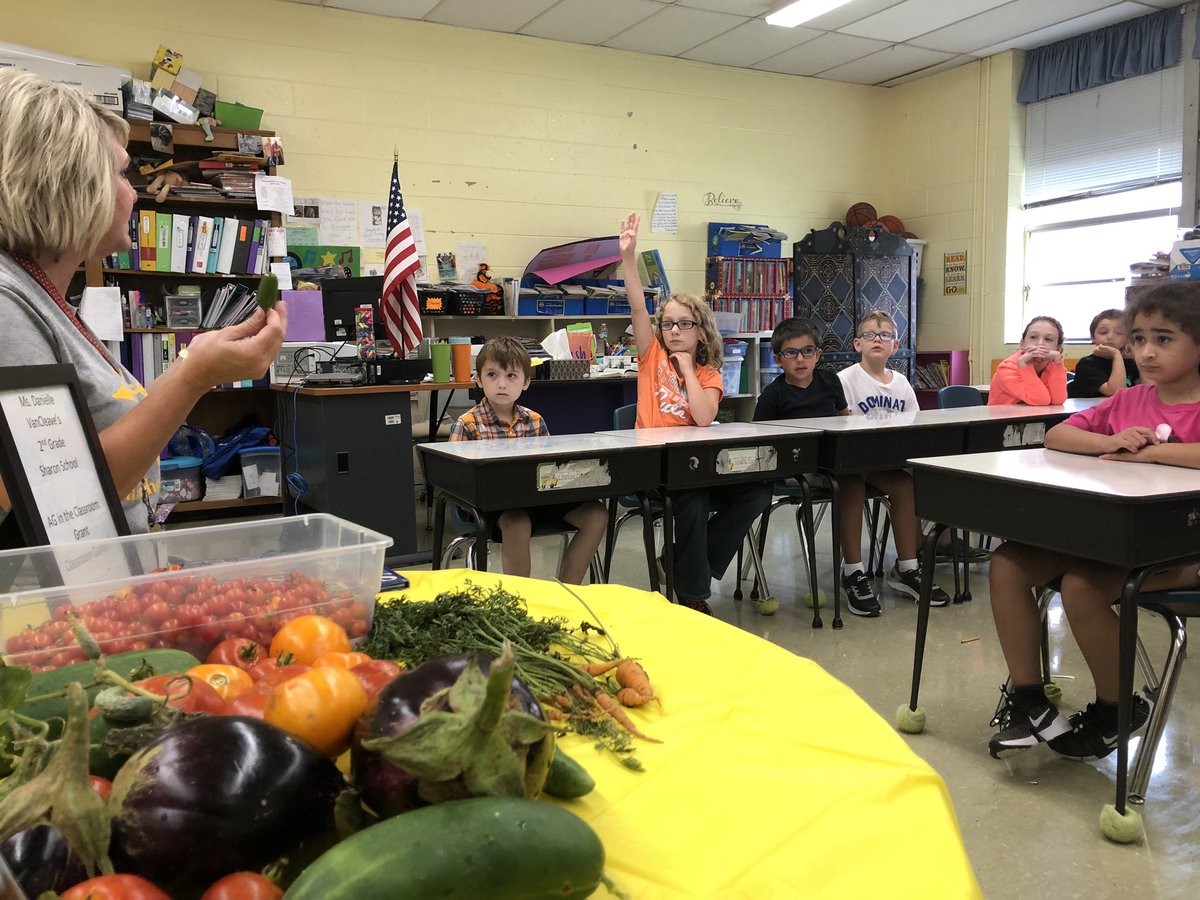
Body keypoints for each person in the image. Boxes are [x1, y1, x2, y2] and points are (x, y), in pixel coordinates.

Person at [0, 70, 286, 545]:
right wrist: (194, 375)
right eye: (118, 173)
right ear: (69, 182)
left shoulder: (40, 292)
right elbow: (64, 493)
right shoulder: (8, 303)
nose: (133, 191)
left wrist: (197, 364)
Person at [987, 281, 1200, 760]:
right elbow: (1059, 435)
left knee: (1081, 588)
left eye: (1163, 339)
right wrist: (1110, 441)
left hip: (1182, 549)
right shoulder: (1130, 401)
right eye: (1139, 338)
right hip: (1114, 537)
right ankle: (1029, 702)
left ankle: (1117, 710)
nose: (1145, 351)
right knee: (1008, 564)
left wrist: (1153, 453)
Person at [620, 212, 770, 615]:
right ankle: (693, 593)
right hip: (652, 469)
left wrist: (687, 368)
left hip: (696, 467)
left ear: (701, 331)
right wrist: (628, 256)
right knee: (691, 499)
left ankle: (682, 564)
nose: (673, 331)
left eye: (683, 324)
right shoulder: (651, 356)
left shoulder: (708, 373)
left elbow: (703, 418)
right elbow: (637, 306)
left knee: (757, 491)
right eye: (667, 324)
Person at [449, 336, 607, 584]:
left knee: (597, 513)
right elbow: (456, 480)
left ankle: (567, 591)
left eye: (511, 376)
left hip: (537, 497)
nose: (502, 383)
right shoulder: (468, 424)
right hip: (491, 504)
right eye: (492, 375)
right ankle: (521, 599)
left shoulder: (534, 420)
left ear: (526, 383)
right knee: (517, 521)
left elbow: (549, 467)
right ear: (478, 379)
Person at [836, 310, 951, 616]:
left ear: (895, 345)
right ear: (858, 343)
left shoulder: (901, 382)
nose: (878, 339)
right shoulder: (845, 380)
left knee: (907, 486)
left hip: (887, 462)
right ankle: (853, 571)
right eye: (871, 335)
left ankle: (907, 567)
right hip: (854, 462)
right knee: (851, 484)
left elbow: (914, 425)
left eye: (885, 335)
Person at [753, 318, 847, 420]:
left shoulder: (831, 380)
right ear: (778, 360)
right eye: (791, 352)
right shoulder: (771, 395)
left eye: (807, 351)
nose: (800, 359)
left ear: (817, 355)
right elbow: (760, 432)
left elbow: (845, 417)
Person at [989, 316, 1068, 406]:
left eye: (1048, 339)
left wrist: (1057, 362)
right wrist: (1024, 366)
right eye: (1033, 337)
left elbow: (1058, 400)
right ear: (1022, 344)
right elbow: (1040, 400)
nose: (1040, 343)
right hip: (1003, 418)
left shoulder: (1056, 367)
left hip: (1039, 418)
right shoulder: (1006, 369)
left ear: (1058, 348)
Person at [1068, 308, 1139, 399]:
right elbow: (1115, 392)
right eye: (1103, 332)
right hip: (1093, 411)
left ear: (1127, 337)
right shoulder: (1087, 364)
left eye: (1119, 333)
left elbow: (1148, 387)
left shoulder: (1129, 362)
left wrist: (1136, 357)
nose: (1110, 337)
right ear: (1093, 337)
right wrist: (1116, 355)